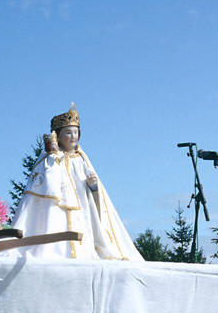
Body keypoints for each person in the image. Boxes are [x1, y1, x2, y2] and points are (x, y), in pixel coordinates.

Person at [9, 103, 144, 261]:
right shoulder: (50, 158)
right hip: (55, 209)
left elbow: (96, 193)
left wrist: (93, 185)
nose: (73, 136)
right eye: (68, 132)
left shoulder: (81, 158)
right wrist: (54, 156)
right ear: (57, 136)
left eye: (75, 132)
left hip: (82, 210)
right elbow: (44, 184)